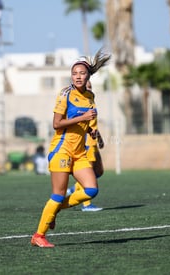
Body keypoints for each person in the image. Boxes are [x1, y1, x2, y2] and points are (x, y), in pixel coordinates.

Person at [31, 49, 111, 248]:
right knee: (57, 195)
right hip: (62, 151)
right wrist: (82, 118)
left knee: (91, 190)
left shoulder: (90, 97)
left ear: (88, 76)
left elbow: (91, 124)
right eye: (74, 73)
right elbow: (57, 124)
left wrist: (94, 134)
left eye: (82, 73)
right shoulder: (65, 94)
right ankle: (38, 235)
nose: (77, 76)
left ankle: (55, 210)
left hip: (79, 152)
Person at [66, 80, 105, 212]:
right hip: (86, 144)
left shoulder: (91, 102)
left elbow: (92, 126)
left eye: (90, 86)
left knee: (99, 171)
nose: (89, 89)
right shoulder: (79, 104)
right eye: (86, 87)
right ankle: (87, 204)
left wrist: (99, 139)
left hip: (93, 143)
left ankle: (73, 189)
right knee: (89, 175)